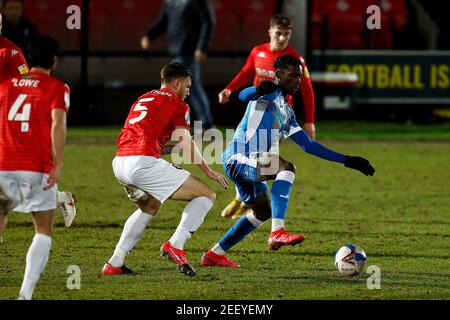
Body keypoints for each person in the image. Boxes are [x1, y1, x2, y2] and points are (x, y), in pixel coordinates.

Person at [199, 55, 375, 267]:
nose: (297, 82)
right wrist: (258, 89)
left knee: (262, 212)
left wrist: (348, 160)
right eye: (293, 76)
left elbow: (308, 145)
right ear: (279, 76)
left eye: (299, 77)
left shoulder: (287, 113)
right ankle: (277, 232)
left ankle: (214, 254)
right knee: (286, 167)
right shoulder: (268, 92)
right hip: (238, 157)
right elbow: (243, 96)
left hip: (249, 164)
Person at [101, 62, 228, 277]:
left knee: (149, 206)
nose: (188, 91)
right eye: (187, 86)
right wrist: (208, 171)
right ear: (176, 83)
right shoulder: (178, 104)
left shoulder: (143, 98)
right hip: (142, 163)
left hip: (120, 162)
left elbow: (155, 139)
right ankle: (175, 245)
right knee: (206, 194)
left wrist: (173, 146)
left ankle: (115, 263)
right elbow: (184, 141)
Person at [219, 15, 317, 220]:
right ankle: (243, 199)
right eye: (279, 33)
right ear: (270, 32)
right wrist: (230, 88)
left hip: (277, 117)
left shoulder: (295, 60)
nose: (282, 38)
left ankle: (248, 202)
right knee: (246, 155)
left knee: (264, 159)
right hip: (254, 112)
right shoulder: (258, 52)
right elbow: (246, 71)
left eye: (286, 34)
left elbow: (307, 89)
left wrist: (310, 121)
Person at [0, 36, 70, 300]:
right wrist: (59, 161)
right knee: (43, 230)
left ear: (28, 59)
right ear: (54, 61)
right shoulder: (57, 87)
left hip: (3, 165)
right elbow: (58, 124)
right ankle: (25, 294)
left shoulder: (5, 86)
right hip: (36, 167)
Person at [0, 14, 76, 244]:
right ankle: (61, 198)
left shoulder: (10, 53)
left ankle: (59, 198)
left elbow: (30, 86)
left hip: (10, 118)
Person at [140, 0, 216, 130]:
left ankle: (202, 123)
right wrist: (149, 35)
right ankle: (205, 123)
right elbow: (163, 21)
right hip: (176, 51)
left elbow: (208, 22)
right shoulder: (170, 2)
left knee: (182, 88)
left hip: (188, 51)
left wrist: (201, 47)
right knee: (188, 88)